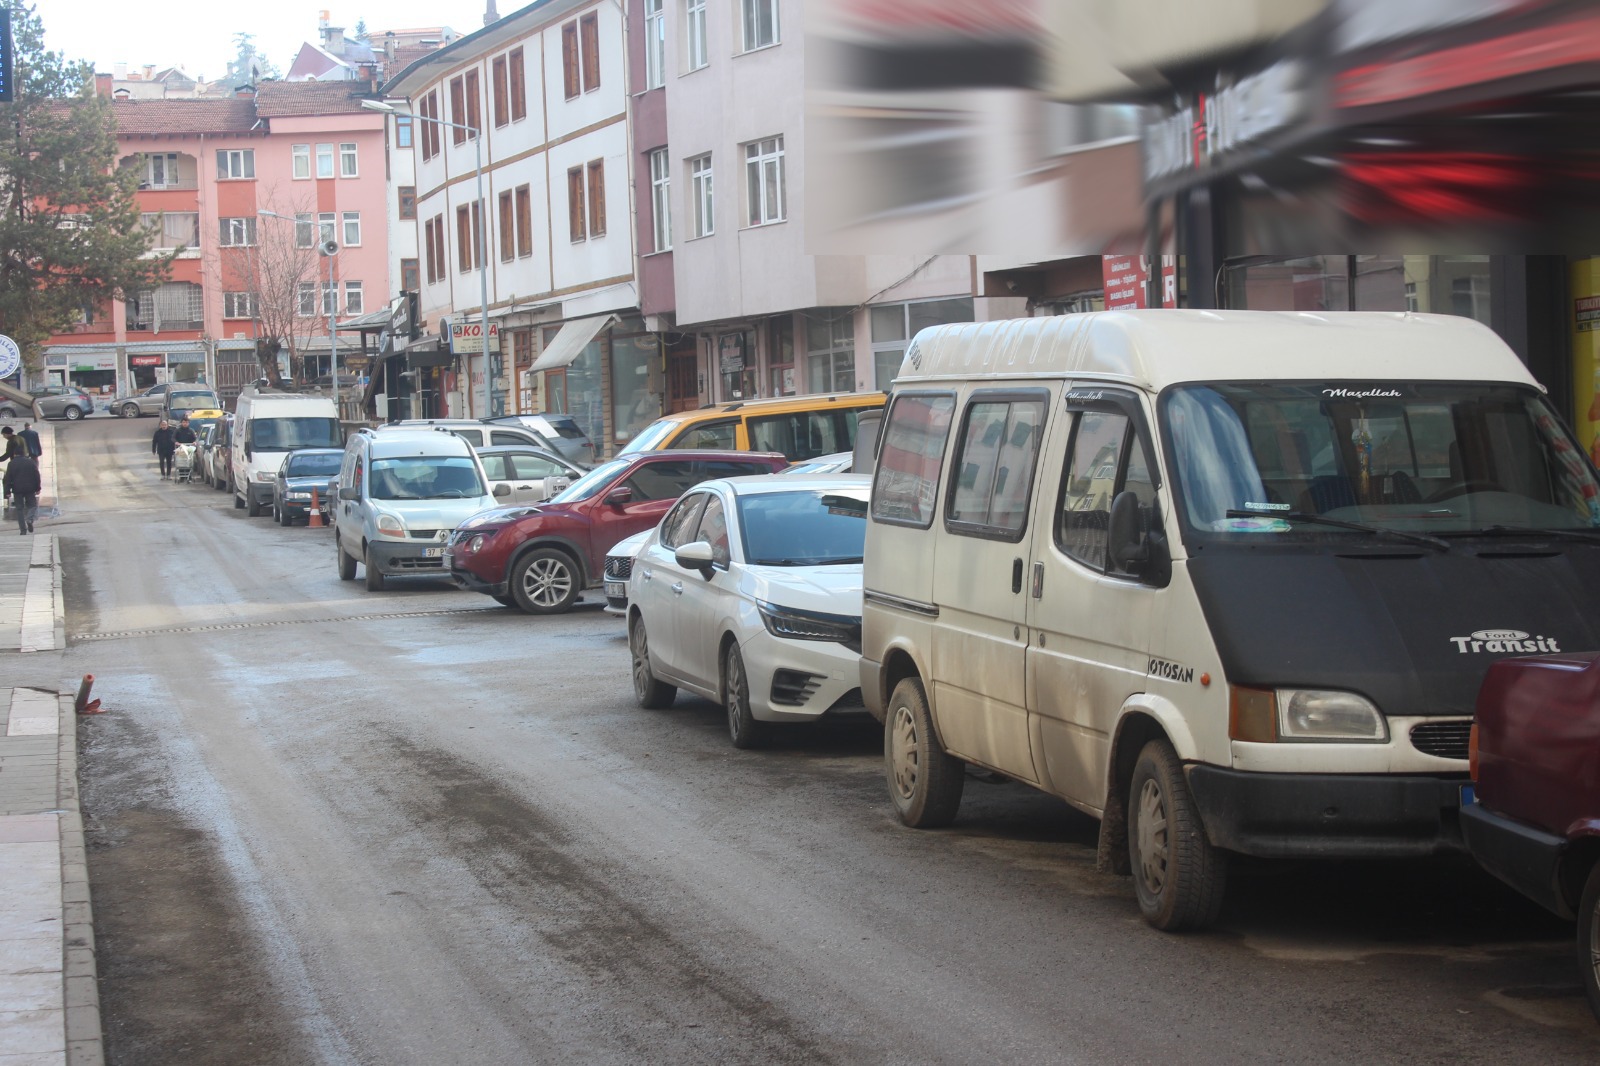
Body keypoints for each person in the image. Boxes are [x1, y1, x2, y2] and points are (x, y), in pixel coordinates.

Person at [4, 451, 41, 534]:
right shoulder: (30, 462)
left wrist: (7, 491)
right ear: (24, 454)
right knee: (32, 506)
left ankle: (23, 530)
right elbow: (36, 475)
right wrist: (38, 487)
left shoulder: (11, 463)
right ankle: (29, 519)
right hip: (30, 489)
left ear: (14, 454)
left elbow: (8, 478)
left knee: (19, 509)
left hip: (17, 489)